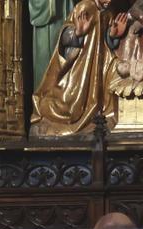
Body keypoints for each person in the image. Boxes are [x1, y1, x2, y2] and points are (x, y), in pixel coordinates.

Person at [32, 0, 127, 137]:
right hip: (81, 67)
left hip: (101, 67)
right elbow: (65, 35)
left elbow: (106, 41)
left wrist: (113, 35)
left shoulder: (109, 12)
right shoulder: (84, 6)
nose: (110, 1)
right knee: (71, 107)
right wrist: (77, 32)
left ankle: (98, 119)